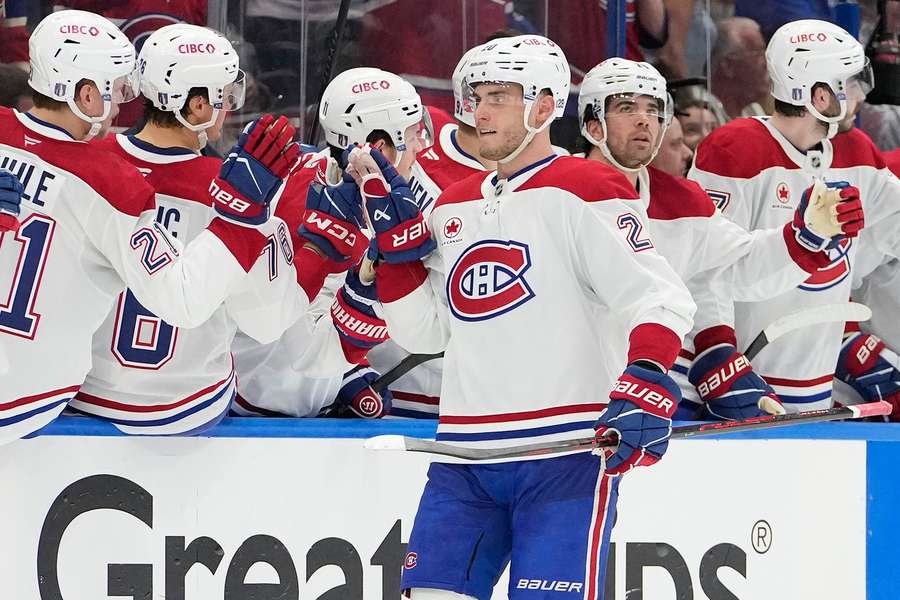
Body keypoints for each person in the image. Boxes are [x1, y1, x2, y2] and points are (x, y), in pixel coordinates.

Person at [364, 35, 697, 598]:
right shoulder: (452, 204)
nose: (479, 110)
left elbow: (659, 297)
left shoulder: (587, 188)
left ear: (544, 107)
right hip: (464, 456)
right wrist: (393, 262)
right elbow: (427, 332)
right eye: (474, 96)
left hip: (563, 456)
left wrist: (645, 379)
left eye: (498, 95)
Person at [0, 10, 299, 443]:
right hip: (76, 396)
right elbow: (241, 315)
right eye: (116, 89)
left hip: (79, 397)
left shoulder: (101, 161)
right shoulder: (113, 183)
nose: (122, 103)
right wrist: (247, 216)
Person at [70, 24, 328, 434]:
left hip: (80, 394)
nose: (230, 107)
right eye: (224, 96)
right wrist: (311, 245)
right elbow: (265, 323)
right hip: (188, 408)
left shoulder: (85, 164)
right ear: (196, 107)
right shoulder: (233, 190)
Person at [579, 57, 859, 420]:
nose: (644, 119)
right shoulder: (552, 194)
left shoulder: (684, 201)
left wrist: (805, 235)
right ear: (592, 124)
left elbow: (738, 267)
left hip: (660, 399)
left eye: (654, 109)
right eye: (626, 107)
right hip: (574, 402)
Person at [690, 20, 899, 412]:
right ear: (821, 96)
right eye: (852, 85)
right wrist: (714, 349)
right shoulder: (734, 151)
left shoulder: (856, 151)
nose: (861, 97)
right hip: (741, 387)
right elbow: (705, 266)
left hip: (817, 388)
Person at [231, 66, 436, 420]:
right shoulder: (290, 195)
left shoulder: (410, 199)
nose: (419, 144)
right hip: (257, 404)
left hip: (312, 387)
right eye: (410, 133)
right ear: (379, 145)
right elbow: (283, 329)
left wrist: (348, 373)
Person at [366, 46, 495, 419]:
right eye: (483, 93)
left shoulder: (547, 174)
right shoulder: (419, 133)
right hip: (390, 378)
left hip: (472, 391)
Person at [710, 17, 770, 119]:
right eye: (757, 54)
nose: (766, 63)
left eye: (764, 53)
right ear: (728, 66)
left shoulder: (753, 110)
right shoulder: (708, 115)